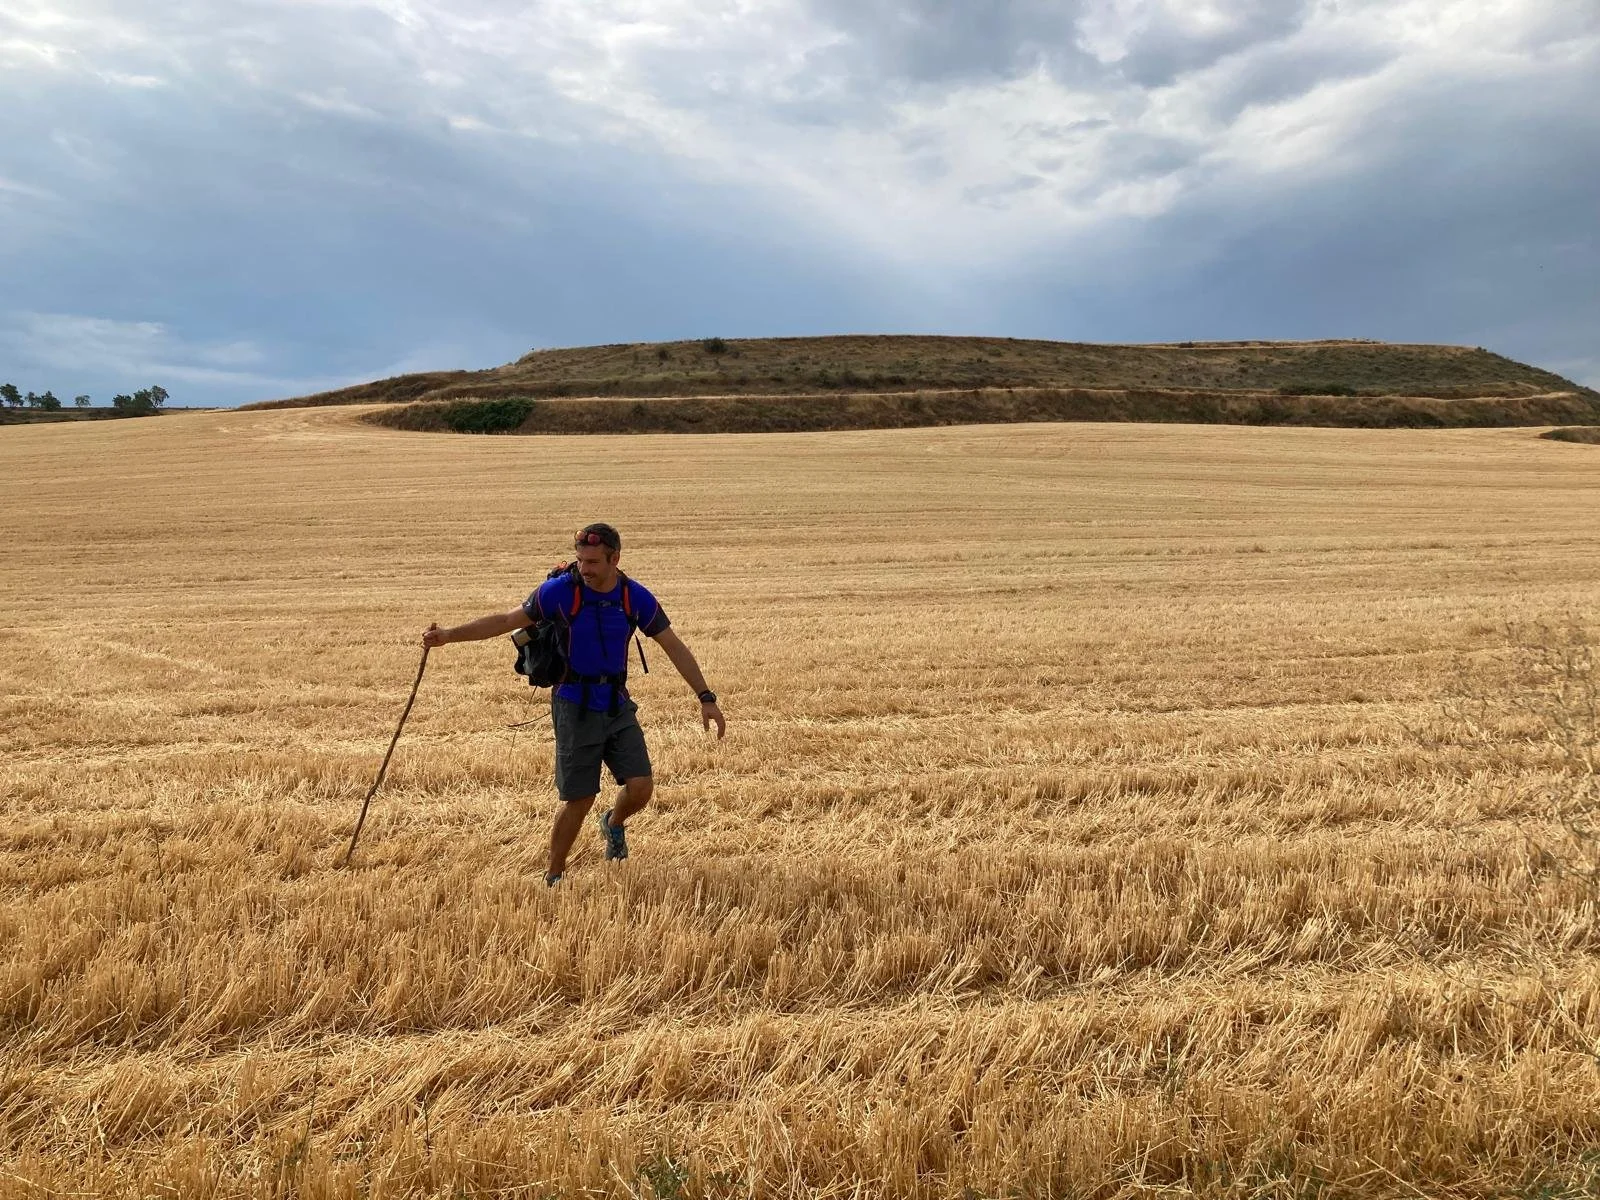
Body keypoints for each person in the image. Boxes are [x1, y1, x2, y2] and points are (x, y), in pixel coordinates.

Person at [422, 523, 725, 884]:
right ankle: (554, 875)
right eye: (581, 560)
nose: (585, 569)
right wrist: (449, 637)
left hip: (615, 702)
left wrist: (705, 696)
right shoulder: (560, 592)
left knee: (641, 787)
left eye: (594, 562)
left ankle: (613, 824)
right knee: (579, 799)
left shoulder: (634, 597)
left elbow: (673, 645)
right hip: (572, 704)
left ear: (615, 559)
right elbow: (505, 621)